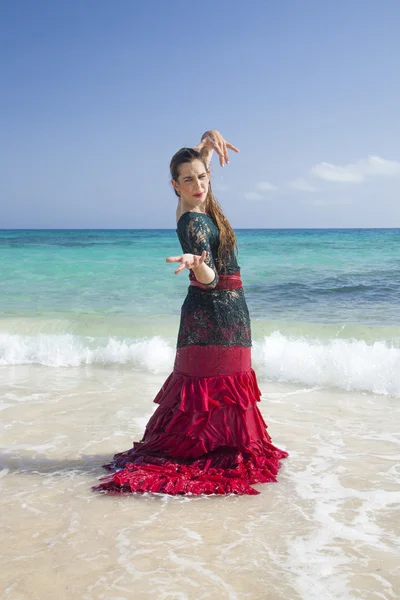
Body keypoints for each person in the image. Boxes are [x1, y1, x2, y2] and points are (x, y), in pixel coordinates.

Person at [93, 130, 288, 495]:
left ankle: (209, 446)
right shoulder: (193, 221)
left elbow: (197, 171)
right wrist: (197, 266)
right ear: (175, 185)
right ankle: (212, 450)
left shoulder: (193, 204)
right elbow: (212, 279)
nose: (198, 184)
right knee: (214, 390)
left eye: (202, 176)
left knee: (216, 389)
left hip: (225, 315)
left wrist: (205, 144)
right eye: (188, 179)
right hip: (216, 313)